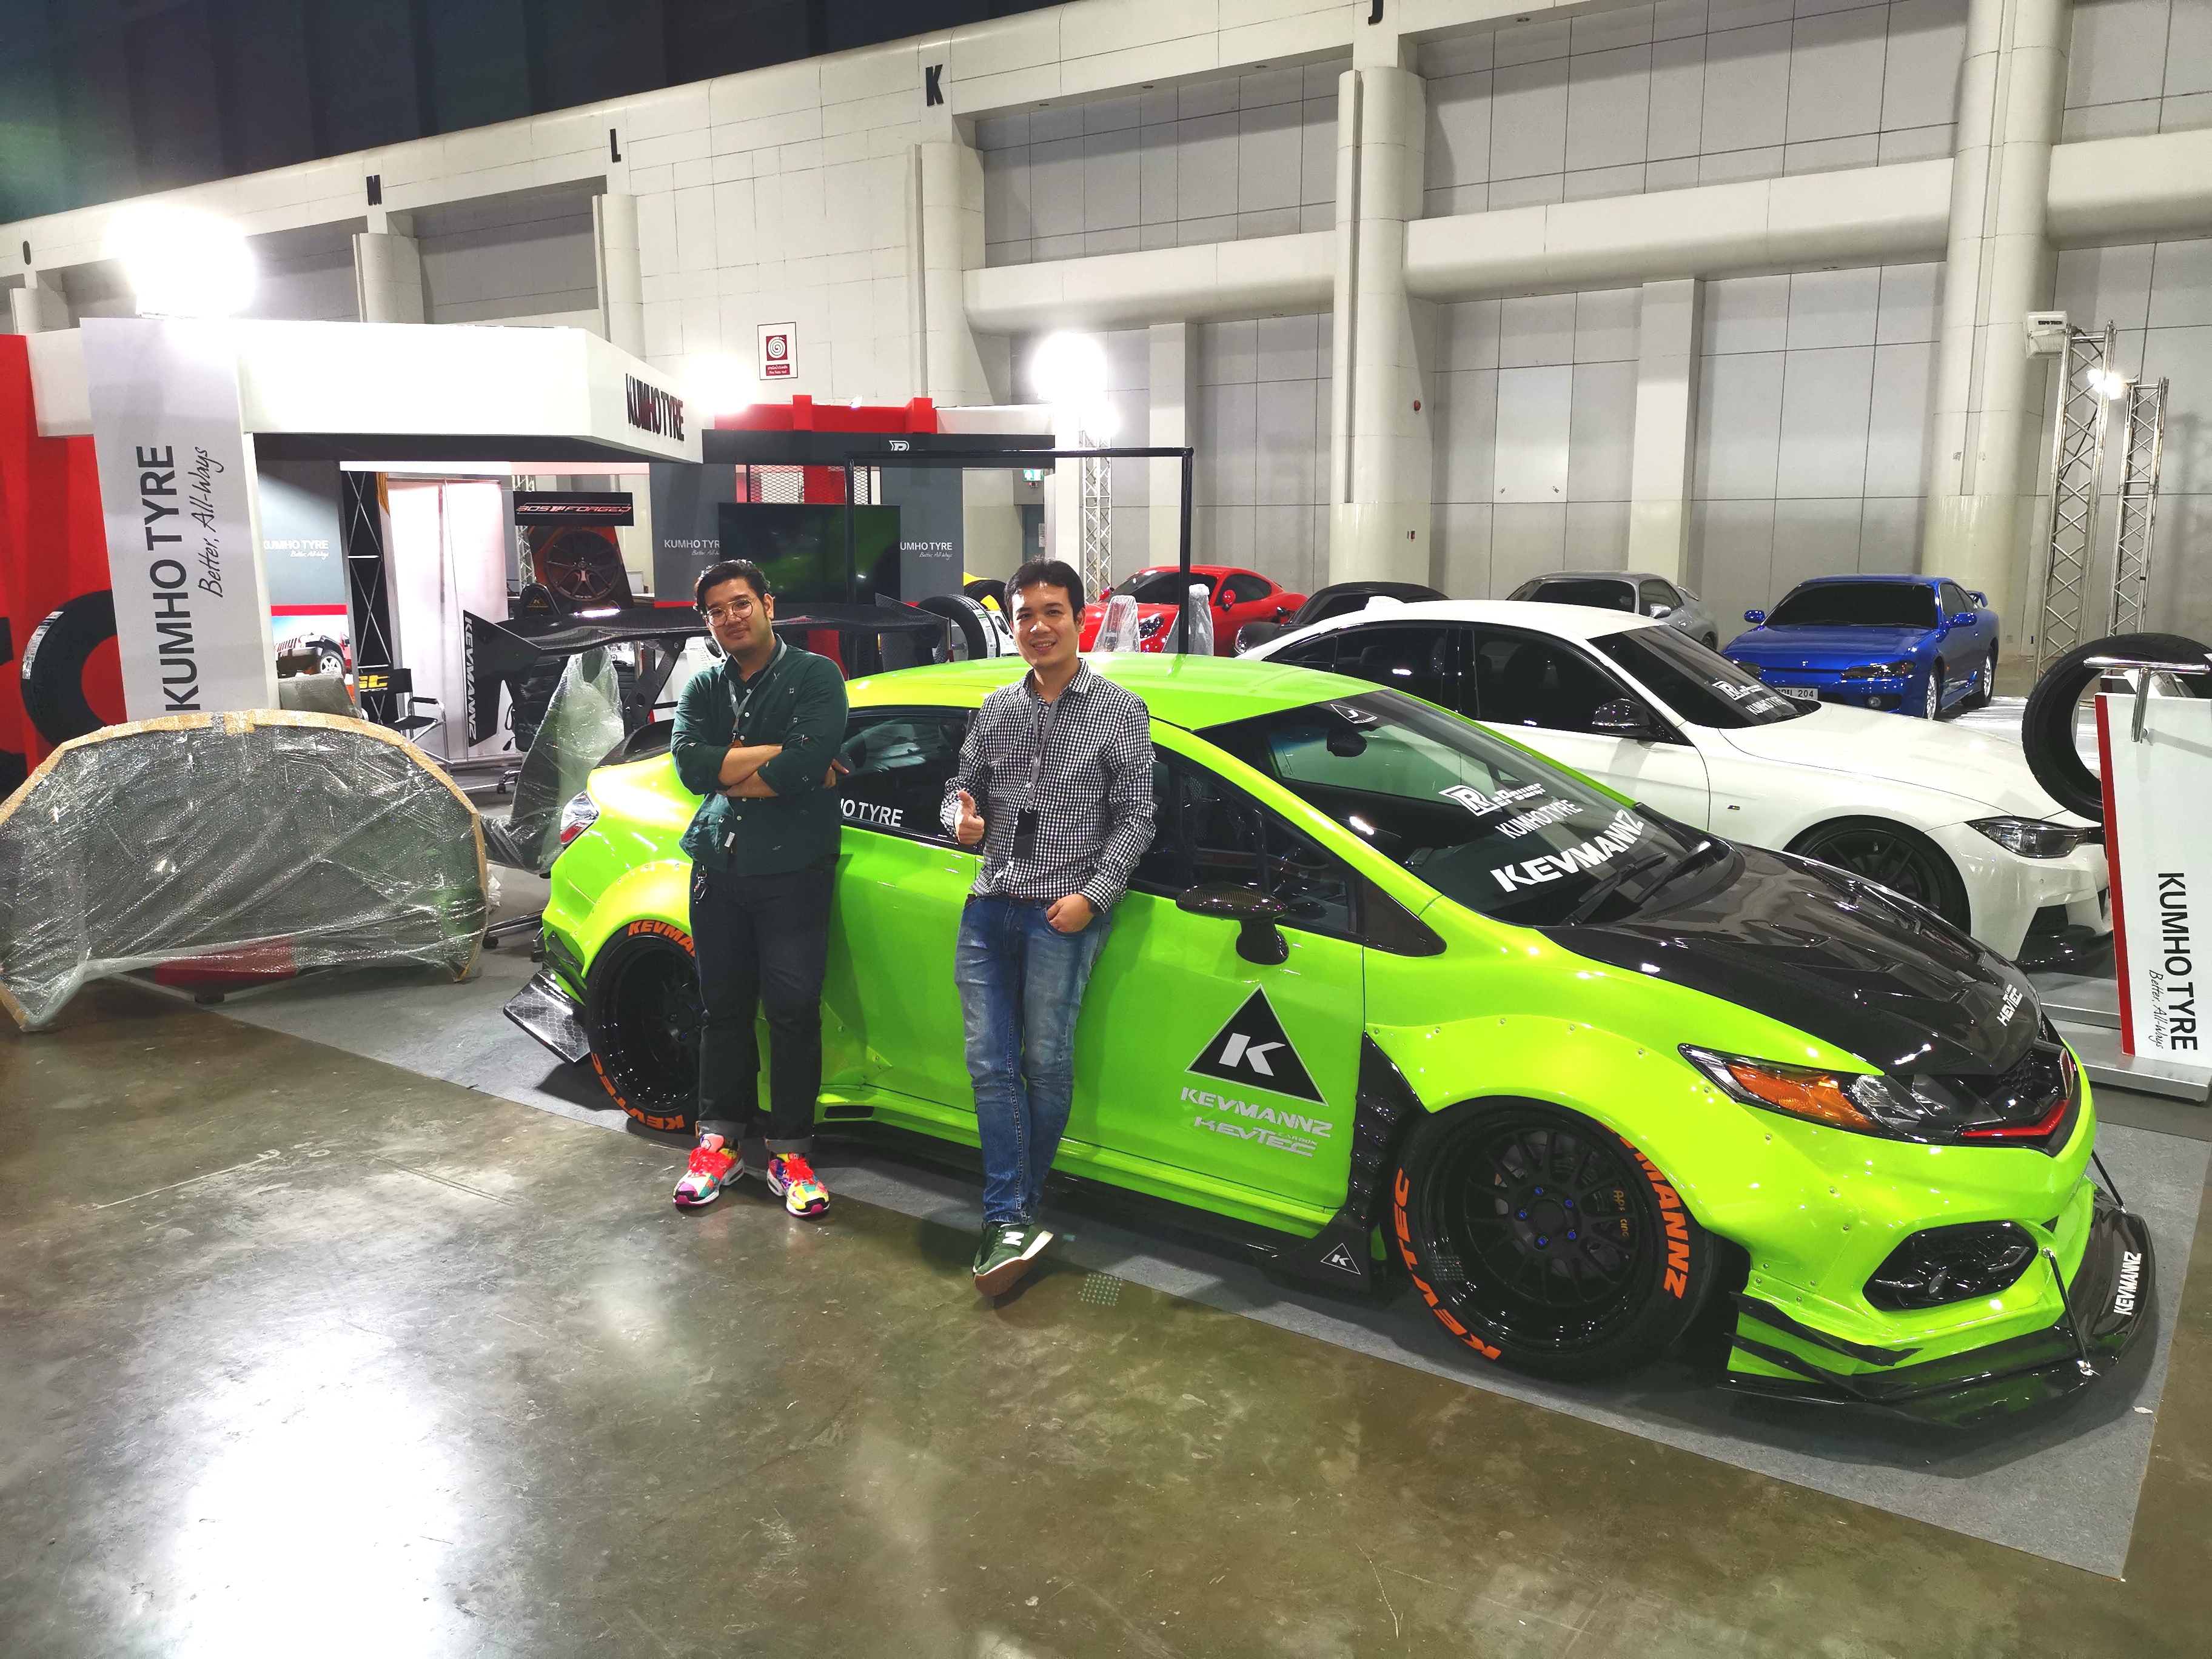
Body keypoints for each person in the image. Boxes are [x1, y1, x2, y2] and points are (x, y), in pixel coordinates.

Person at [941, 558, 1155, 1295]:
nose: (1038, 627)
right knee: (989, 1064)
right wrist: (960, 819)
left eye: (1052, 612)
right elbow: (959, 788)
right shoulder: (997, 707)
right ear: (1012, 624)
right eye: (1025, 615)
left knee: (1047, 1062)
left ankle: (1011, 1212)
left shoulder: (1120, 710)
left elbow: (1137, 817)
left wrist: (1094, 896)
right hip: (990, 904)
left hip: (1062, 914)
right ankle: (1009, 1215)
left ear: (1080, 618)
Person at [666, 558, 848, 1216]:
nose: (730, 618)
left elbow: (807, 763)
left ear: (768, 605)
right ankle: (718, 1143)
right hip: (718, 870)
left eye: (741, 603)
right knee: (723, 1009)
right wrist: (781, 758)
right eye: (716, 611)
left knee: (793, 1012)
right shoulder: (703, 686)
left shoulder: (815, 675)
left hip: (793, 873)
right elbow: (690, 767)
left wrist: (741, 769)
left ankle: (790, 1152)